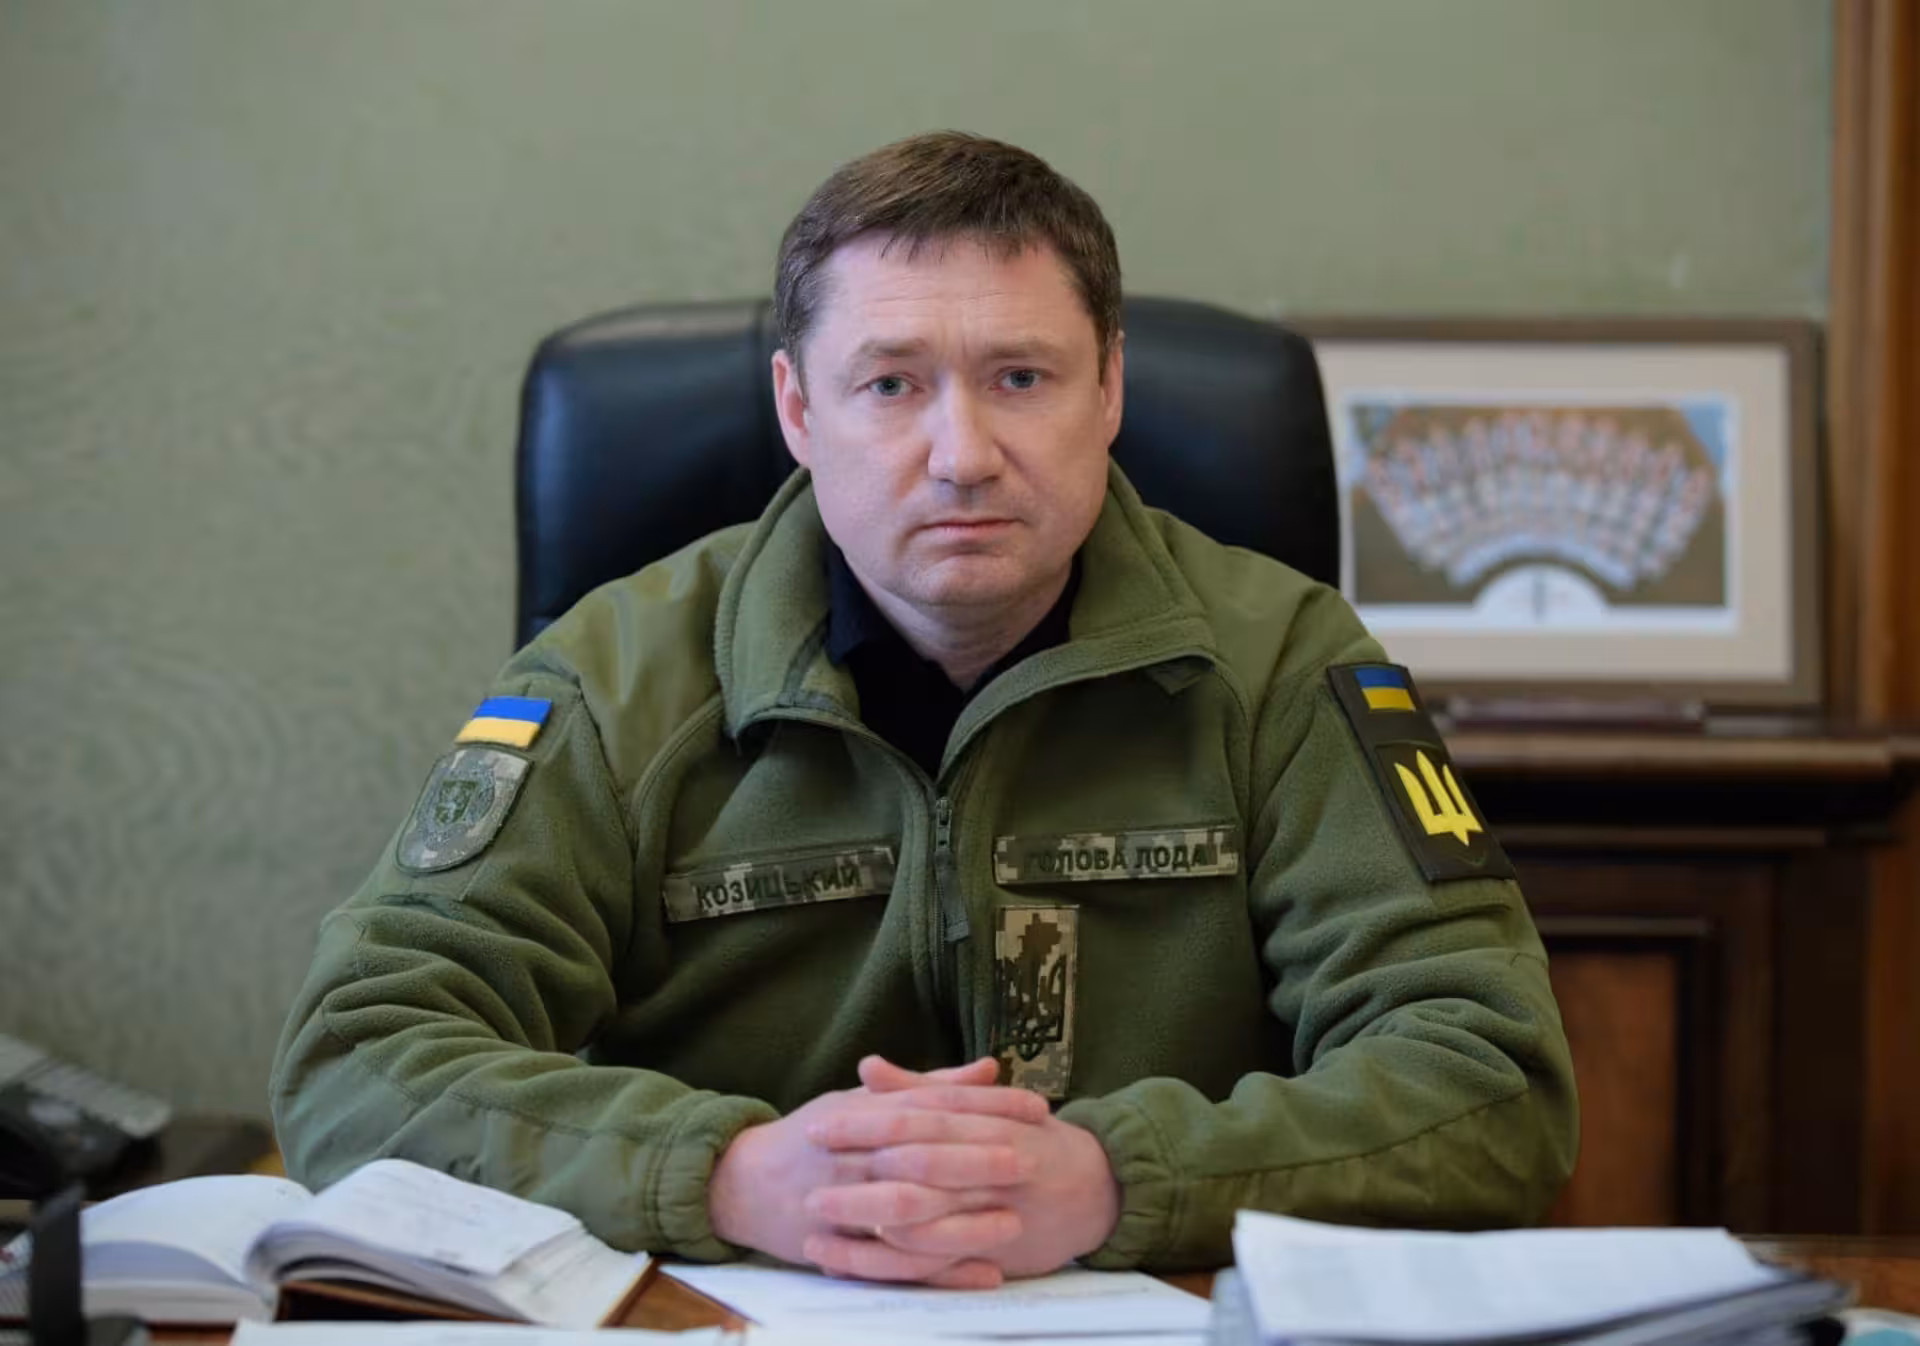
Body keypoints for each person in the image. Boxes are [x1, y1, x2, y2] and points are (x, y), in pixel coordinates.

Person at [271, 131, 1578, 1289]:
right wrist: (725, 1173)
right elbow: (358, 1056)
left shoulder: (1285, 662)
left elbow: (1490, 1075)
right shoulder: (612, 681)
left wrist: (1119, 1179)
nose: (962, 456)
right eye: (891, 383)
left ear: (1110, 391)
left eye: (1021, 378)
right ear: (798, 408)